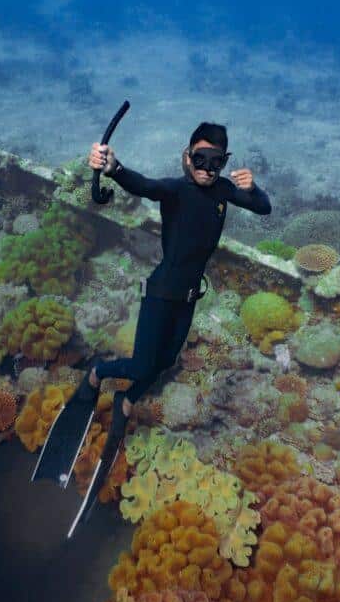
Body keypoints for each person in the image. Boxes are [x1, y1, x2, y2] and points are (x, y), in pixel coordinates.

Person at [85, 121, 272, 433]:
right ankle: (97, 372)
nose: (208, 169)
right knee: (142, 365)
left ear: (224, 162)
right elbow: (144, 185)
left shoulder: (224, 191)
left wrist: (253, 188)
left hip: (187, 299)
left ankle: (127, 399)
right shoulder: (175, 190)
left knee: (166, 361)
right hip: (160, 293)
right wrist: (113, 167)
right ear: (187, 157)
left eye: (217, 162)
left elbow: (263, 208)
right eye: (200, 159)